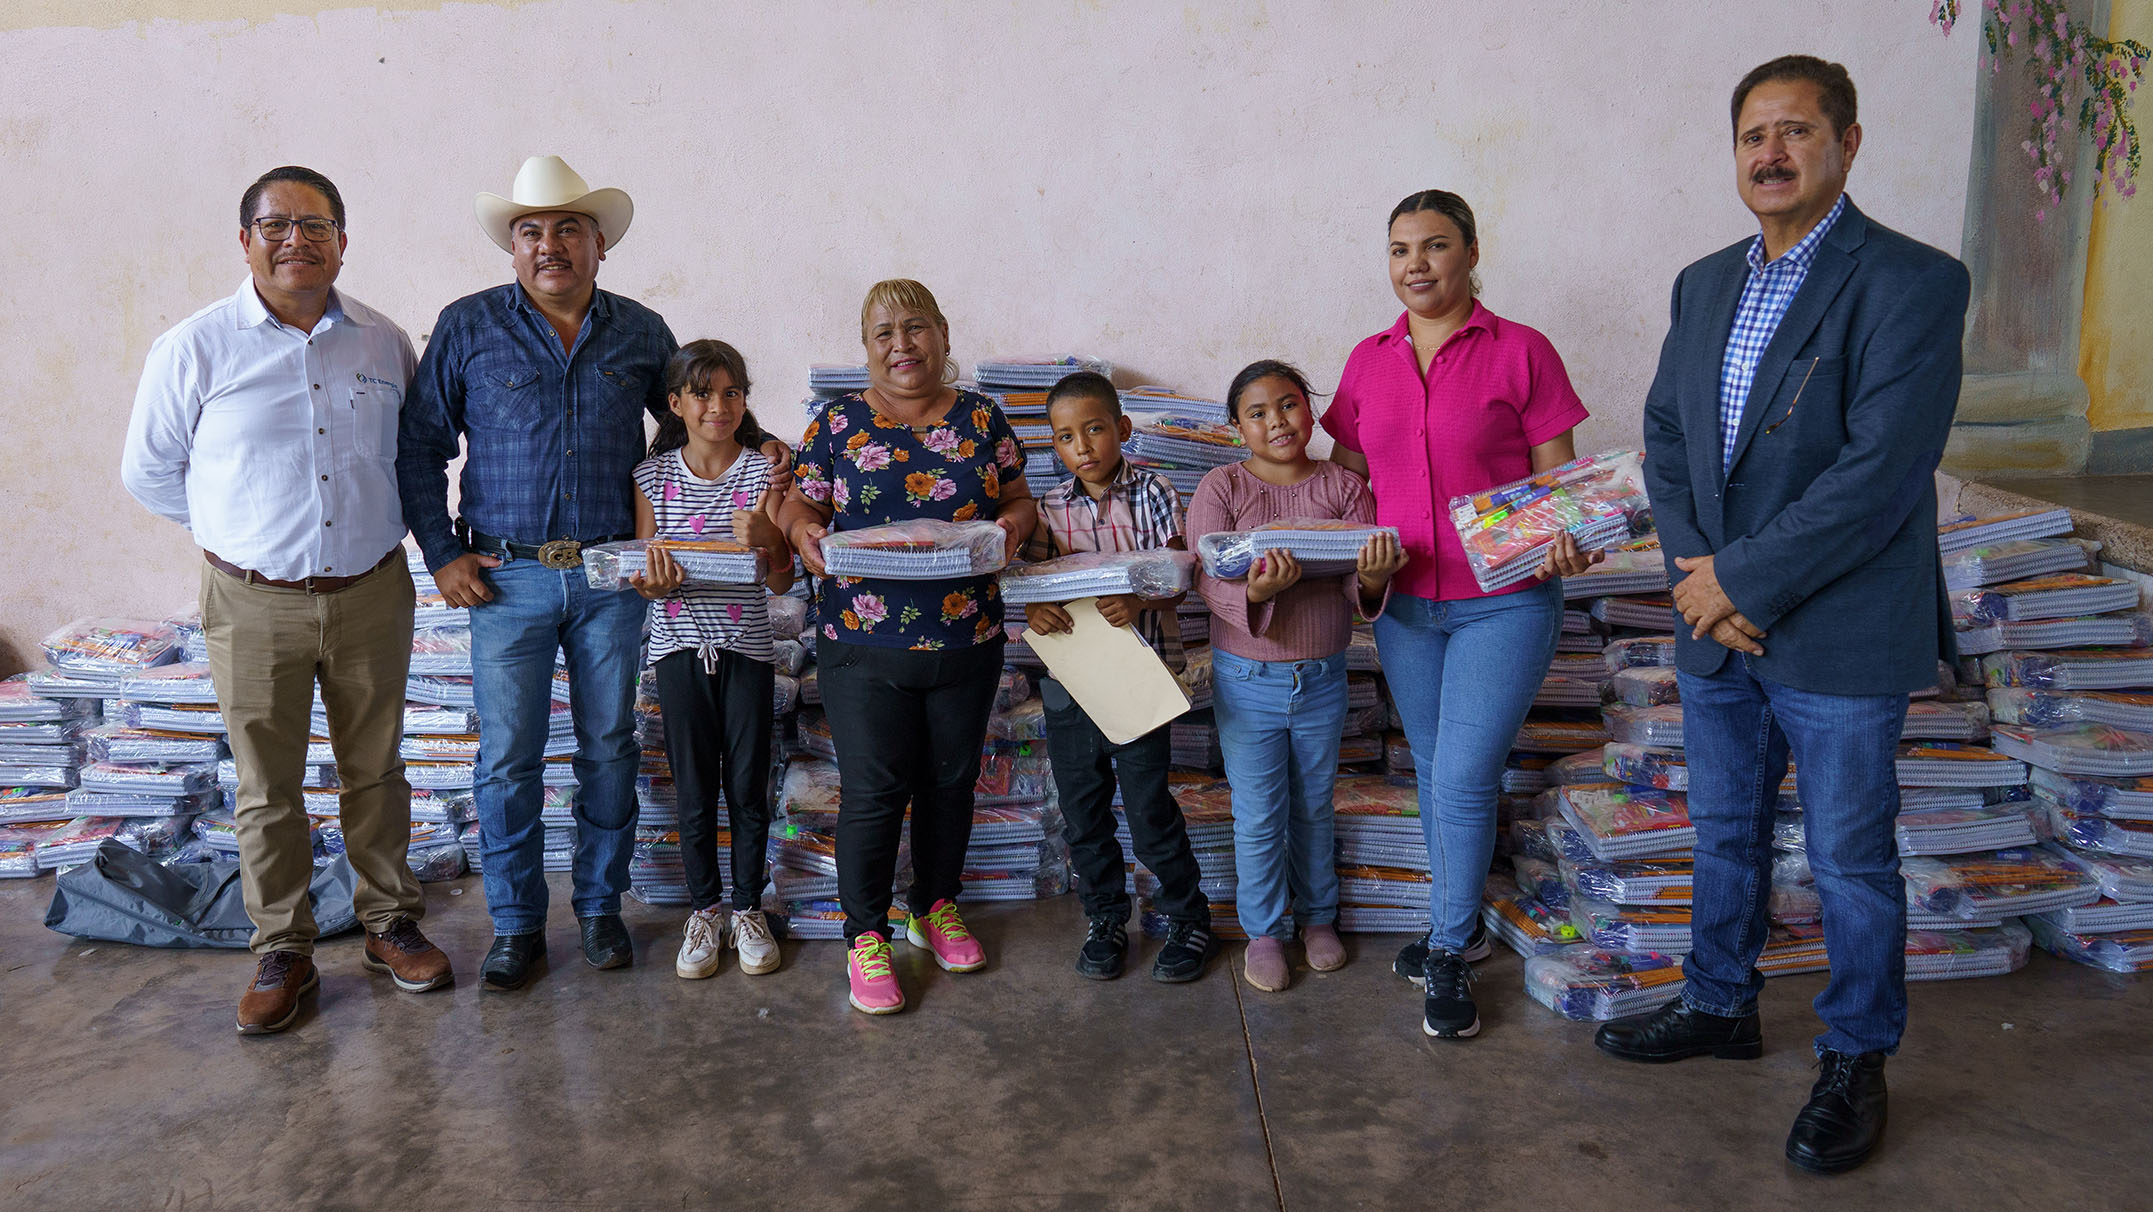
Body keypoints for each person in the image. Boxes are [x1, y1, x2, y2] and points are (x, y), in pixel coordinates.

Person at [1597, 55, 1969, 1176]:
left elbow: (1879, 473)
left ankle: (1855, 1055)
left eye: (1795, 132)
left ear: (1846, 146)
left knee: (1851, 859)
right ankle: (1717, 1003)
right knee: (1721, 832)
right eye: (1753, 134)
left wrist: (1736, 584)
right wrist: (1697, 578)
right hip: (1716, 620)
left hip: (1835, 627)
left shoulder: (1911, 281)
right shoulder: (1702, 281)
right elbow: (1664, 438)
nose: (1769, 152)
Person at [399, 155, 781, 990]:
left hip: (616, 576)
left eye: (568, 229)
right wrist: (442, 551)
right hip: (506, 575)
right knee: (507, 760)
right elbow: (421, 446)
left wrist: (774, 463)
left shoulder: (642, 333)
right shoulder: (466, 327)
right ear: (511, 247)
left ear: (599, 243)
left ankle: (601, 911)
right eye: (530, 231)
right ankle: (516, 925)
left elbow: (698, 423)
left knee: (609, 747)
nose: (549, 245)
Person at [122, 166, 451, 1035]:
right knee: (267, 786)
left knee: (374, 768)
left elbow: (412, 456)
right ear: (245, 240)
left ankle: (388, 920)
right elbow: (148, 469)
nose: (295, 240)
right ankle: (285, 948)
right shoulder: (193, 347)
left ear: (344, 240)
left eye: (316, 225)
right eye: (276, 225)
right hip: (252, 600)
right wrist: (231, 536)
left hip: (373, 589)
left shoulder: (383, 343)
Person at [1323, 189, 1598, 1040]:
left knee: (1464, 776)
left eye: (1435, 246)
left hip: (1504, 603)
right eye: (1400, 249)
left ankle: (1446, 945)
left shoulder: (1521, 352)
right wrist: (1349, 564)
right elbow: (1347, 487)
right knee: (1439, 771)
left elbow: (1563, 490)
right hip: (1406, 606)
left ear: (1471, 253)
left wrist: (1570, 537)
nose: (1416, 264)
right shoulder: (1367, 361)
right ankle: (1465, 929)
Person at [779, 278, 1036, 1016]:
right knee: (876, 788)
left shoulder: (983, 419)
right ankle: (867, 935)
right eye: (884, 332)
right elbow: (803, 502)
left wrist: (1010, 530)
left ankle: (934, 906)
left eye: (915, 328)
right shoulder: (838, 425)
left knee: (950, 781)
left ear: (943, 335)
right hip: (862, 641)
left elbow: (1018, 497)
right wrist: (803, 533)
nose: (902, 344)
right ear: (866, 348)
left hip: (967, 635)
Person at [1191, 360, 1406, 994]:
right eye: (1256, 413)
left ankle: (1318, 920)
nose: (1276, 421)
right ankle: (1264, 931)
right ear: (1236, 429)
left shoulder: (1343, 486)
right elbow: (1208, 575)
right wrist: (1256, 589)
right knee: (1258, 813)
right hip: (1246, 678)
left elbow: (1359, 576)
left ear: (1310, 411)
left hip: (1321, 678)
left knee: (1314, 805)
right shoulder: (1221, 489)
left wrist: (1371, 575)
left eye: (1288, 405)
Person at [1020, 370, 1217, 983]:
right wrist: (1034, 607)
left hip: (1137, 677)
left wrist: (1139, 599)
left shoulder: (1152, 492)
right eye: (1065, 437)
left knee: (1149, 809)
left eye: (1095, 429)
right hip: (1073, 683)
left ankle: (1188, 918)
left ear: (1122, 429)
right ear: (1053, 446)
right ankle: (1105, 918)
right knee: (1084, 815)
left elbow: (1179, 572)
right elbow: (1035, 586)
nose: (1082, 446)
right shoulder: (1047, 510)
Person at [627, 340, 794, 980]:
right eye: (702, 394)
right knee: (693, 788)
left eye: (731, 393)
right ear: (676, 404)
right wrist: (651, 582)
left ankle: (749, 908)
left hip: (747, 647)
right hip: (674, 646)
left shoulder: (765, 474)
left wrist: (772, 538)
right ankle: (706, 910)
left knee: (748, 786)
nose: (717, 407)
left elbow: (777, 582)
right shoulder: (653, 478)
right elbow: (644, 567)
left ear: (745, 401)